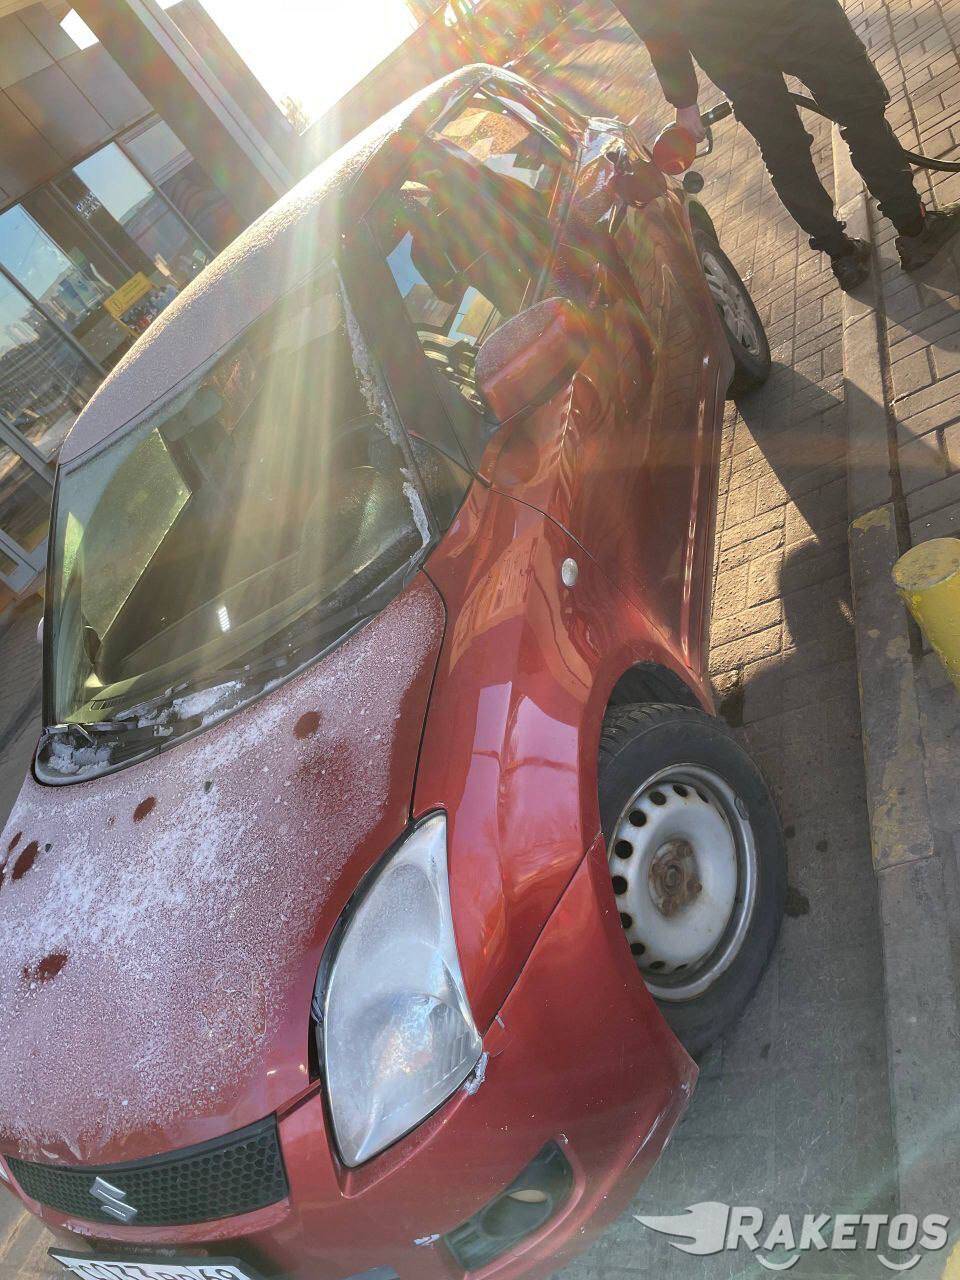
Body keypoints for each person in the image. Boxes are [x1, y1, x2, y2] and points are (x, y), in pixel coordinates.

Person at [614, 0, 960, 290]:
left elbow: (653, 21)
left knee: (783, 152)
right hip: (796, 15)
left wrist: (685, 102)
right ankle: (915, 230)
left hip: (724, 49)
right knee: (860, 115)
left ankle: (843, 256)